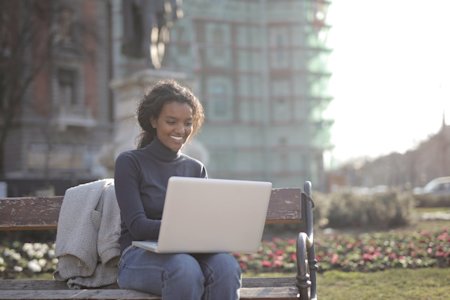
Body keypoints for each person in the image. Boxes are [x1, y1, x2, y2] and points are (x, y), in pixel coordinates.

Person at [114, 79, 241, 299]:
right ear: (154, 120)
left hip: (188, 251)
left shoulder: (195, 168)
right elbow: (138, 227)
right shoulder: (129, 162)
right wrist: (184, 229)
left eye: (188, 123)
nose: (181, 130)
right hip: (139, 255)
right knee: (184, 269)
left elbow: (201, 223)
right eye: (171, 121)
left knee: (226, 266)